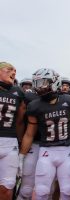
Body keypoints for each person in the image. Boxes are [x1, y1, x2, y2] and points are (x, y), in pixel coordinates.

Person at [19, 68, 70, 200]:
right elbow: (29, 134)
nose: (39, 87)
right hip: (46, 150)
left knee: (68, 191)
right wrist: (21, 157)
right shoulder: (34, 105)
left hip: (66, 150)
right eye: (36, 83)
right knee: (42, 191)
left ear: (55, 82)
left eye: (43, 83)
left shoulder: (68, 100)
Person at [0, 62, 26, 200]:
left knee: (7, 186)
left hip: (10, 142)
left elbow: (20, 121)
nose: (13, 72)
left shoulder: (18, 92)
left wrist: (20, 141)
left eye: (15, 70)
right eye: (9, 69)